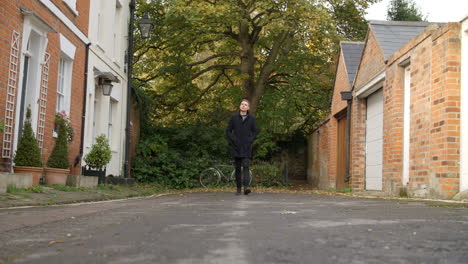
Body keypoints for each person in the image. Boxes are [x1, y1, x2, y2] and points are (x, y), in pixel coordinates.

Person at [226, 99, 258, 195]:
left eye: (245, 105)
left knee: (246, 167)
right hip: (236, 147)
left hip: (247, 147)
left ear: (248, 108)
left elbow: (255, 132)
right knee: (237, 169)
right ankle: (238, 189)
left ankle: (246, 188)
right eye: (242, 104)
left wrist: (250, 140)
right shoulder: (234, 118)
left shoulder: (251, 118)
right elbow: (228, 131)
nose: (243, 106)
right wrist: (234, 140)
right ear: (240, 106)